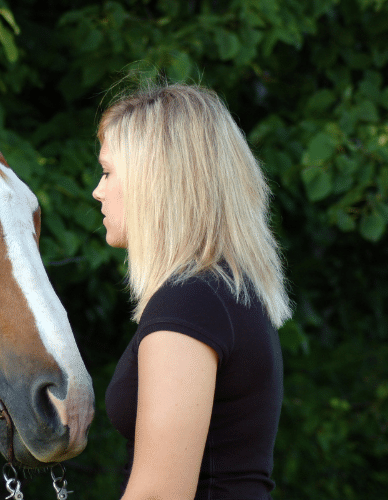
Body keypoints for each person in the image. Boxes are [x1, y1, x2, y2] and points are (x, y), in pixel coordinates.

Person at [93, 82, 292, 500]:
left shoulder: (191, 302)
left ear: (154, 180)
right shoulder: (222, 293)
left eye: (109, 172)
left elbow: (159, 494)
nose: (98, 190)